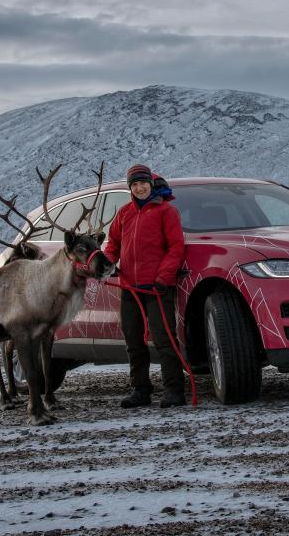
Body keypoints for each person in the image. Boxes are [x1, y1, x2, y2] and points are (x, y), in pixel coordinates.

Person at [100, 164, 186, 408]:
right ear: (130, 188)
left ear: (151, 183)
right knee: (134, 341)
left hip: (157, 288)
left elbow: (176, 248)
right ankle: (140, 390)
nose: (139, 188)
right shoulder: (124, 213)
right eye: (134, 184)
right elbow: (113, 244)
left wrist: (164, 278)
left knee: (164, 339)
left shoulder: (166, 212)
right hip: (130, 287)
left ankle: (174, 390)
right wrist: (108, 264)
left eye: (143, 183)